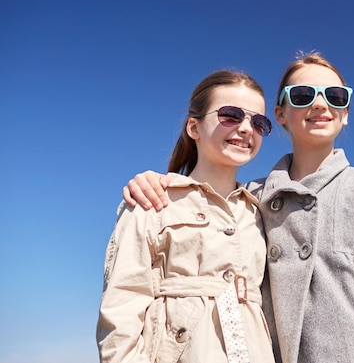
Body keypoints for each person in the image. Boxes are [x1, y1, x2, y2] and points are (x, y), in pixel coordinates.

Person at [123, 52, 354, 363]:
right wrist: (158, 182)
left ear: (345, 111)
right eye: (304, 94)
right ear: (280, 115)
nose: (320, 103)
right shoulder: (248, 198)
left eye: (335, 95)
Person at [97, 70, 276, 363]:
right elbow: (122, 308)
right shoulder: (152, 200)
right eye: (231, 115)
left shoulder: (262, 212)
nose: (246, 128)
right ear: (194, 127)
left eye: (259, 122)